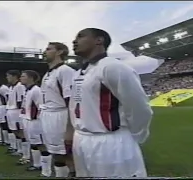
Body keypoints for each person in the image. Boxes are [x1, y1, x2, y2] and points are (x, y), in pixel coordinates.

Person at [70, 28, 153, 178]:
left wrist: (133, 136)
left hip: (109, 142)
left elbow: (139, 107)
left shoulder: (113, 67)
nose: (74, 41)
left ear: (99, 40)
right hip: (81, 139)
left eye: (81, 36)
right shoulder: (79, 72)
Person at [40, 42, 75, 177]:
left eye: (48, 49)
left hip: (60, 116)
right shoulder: (49, 73)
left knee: (68, 153)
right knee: (57, 154)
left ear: (60, 52)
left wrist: (70, 128)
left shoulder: (65, 71)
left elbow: (71, 101)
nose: (45, 51)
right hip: (48, 116)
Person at [19, 70, 46, 170]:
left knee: (41, 144)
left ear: (30, 78)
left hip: (35, 122)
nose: (20, 78)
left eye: (23, 76)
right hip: (28, 120)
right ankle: (37, 164)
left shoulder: (36, 90)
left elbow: (41, 106)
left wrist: (39, 120)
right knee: (33, 143)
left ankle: (46, 169)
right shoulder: (28, 90)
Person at [5, 70, 28, 158]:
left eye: (8, 76)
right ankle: (19, 150)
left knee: (21, 132)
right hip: (11, 110)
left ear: (14, 76)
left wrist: (21, 111)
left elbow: (21, 100)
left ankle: (25, 154)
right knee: (15, 132)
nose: (7, 78)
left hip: (17, 111)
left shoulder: (19, 86)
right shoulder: (11, 87)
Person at [0, 78, 10, 146]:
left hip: (3, 107)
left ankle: (8, 141)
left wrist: (7, 107)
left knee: (5, 125)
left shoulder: (3, 88)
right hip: (0, 108)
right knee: (3, 125)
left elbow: (7, 97)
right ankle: (5, 140)